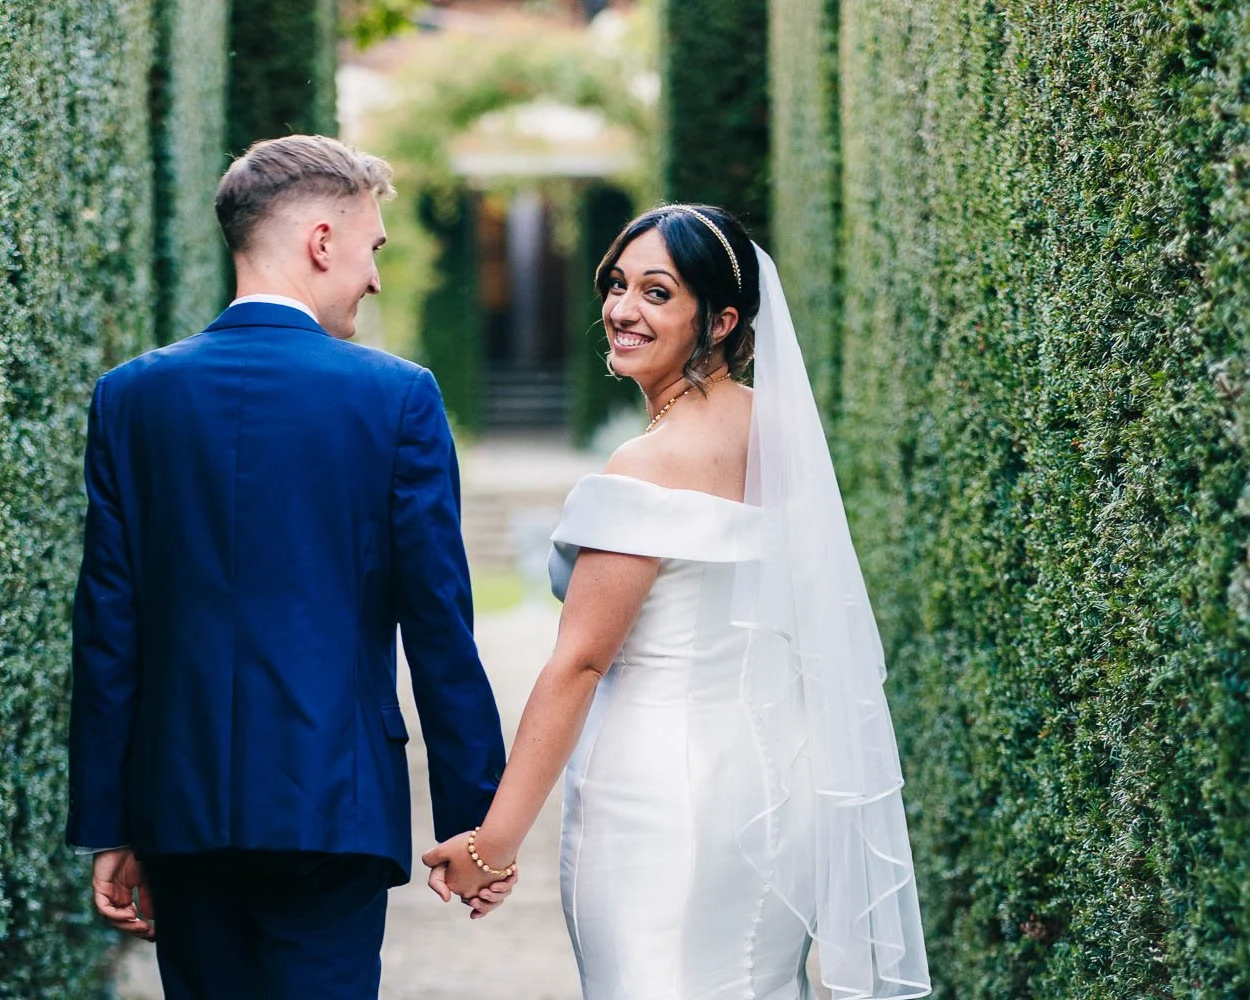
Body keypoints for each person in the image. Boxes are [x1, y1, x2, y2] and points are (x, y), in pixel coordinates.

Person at [422, 204, 931, 999]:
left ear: (721, 321)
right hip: (775, 790)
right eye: (617, 285)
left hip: (657, 797)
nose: (623, 309)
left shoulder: (646, 465)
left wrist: (493, 845)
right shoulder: (780, 437)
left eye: (657, 293)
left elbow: (579, 664)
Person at [66, 134, 514, 1000]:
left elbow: (108, 626)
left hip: (179, 804)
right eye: (372, 248)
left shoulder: (131, 396)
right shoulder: (398, 398)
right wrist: (476, 824)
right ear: (320, 241)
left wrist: (112, 822)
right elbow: (437, 625)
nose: (374, 277)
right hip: (333, 801)